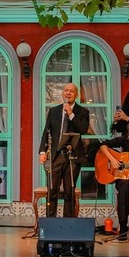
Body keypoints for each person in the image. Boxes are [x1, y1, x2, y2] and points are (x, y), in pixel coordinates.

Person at [39, 83, 91, 217]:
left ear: (76, 95)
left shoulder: (83, 112)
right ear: (63, 93)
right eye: (66, 90)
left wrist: (71, 114)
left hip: (73, 157)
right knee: (52, 191)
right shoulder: (54, 111)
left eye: (71, 91)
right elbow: (47, 132)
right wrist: (42, 152)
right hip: (56, 156)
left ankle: (68, 225)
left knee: (69, 192)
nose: (68, 93)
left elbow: (83, 130)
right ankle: (51, 222)